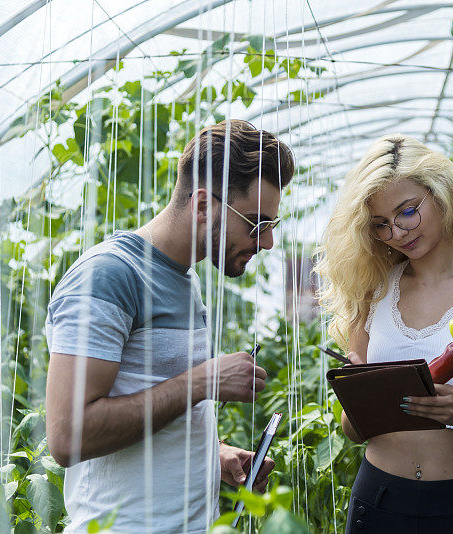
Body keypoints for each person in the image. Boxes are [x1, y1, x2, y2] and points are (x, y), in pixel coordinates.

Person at [44, 120, 294, 533]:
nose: (266, 242)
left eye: (271, 225)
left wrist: (215, 453)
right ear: (201, 206)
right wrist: (202, 382)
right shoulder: (109, 277)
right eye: (255, 223)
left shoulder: (185, 278)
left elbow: (151, 393)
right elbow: (68, 437)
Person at [315, 134, 453, 533]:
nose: (398, 233)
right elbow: (352, 432)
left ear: (440, 192)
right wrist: (359, 394)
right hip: (379, 498)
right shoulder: (373, 290)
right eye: (381, 225)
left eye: (407, 211)